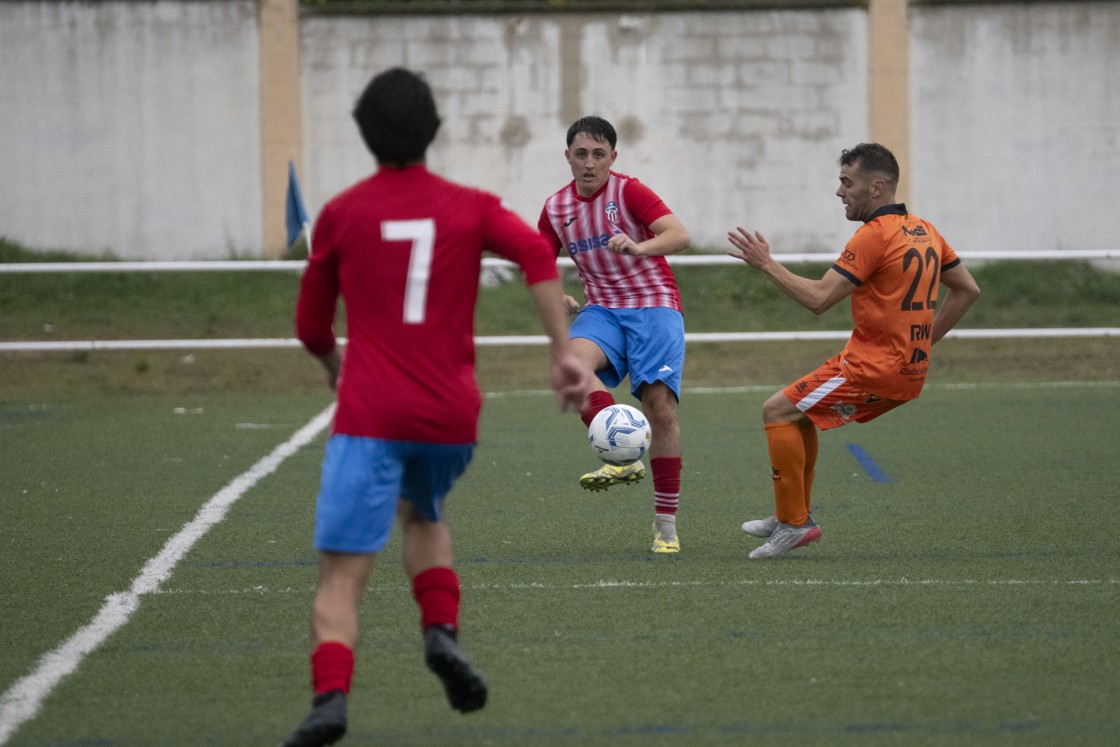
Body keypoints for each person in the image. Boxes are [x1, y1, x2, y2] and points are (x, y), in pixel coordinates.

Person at [284, 68, 592, 746]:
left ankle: (330, 699)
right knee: (425, 512)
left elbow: (311, 326)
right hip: (450, 416)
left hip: (370, 414)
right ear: (435, 131)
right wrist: (562, 351)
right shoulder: (472, 206)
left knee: (342, 572)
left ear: (364, 133)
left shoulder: (341, 214)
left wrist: (337, 369)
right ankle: (441, 633)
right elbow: (538, 255)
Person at [726, 142, 981, 559]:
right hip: (903, 369)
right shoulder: (925, 230)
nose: (839, 192)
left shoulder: (873, 236)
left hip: (872, 368)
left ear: (877, 188)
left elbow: (819, 299)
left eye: (847, 182)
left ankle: (793, 524)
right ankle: (793, 512)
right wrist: (922, 344)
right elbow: (968, 289)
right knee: (798, 413)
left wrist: (766, 264)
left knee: (776, 410)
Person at [537, 116, 692, 554]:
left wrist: (639, 246)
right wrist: (558, 292)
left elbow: (680, 235)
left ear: (613, 158)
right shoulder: (555, 209)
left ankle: (665, 526)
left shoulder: (629, 192)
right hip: (603, 310)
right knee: (570, 366)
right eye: (581, 154)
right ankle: (622, 455)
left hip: (653, 305)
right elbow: (539, 261)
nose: (589, 163)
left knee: (659, 411)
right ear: (568, 156)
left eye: (599, 154)